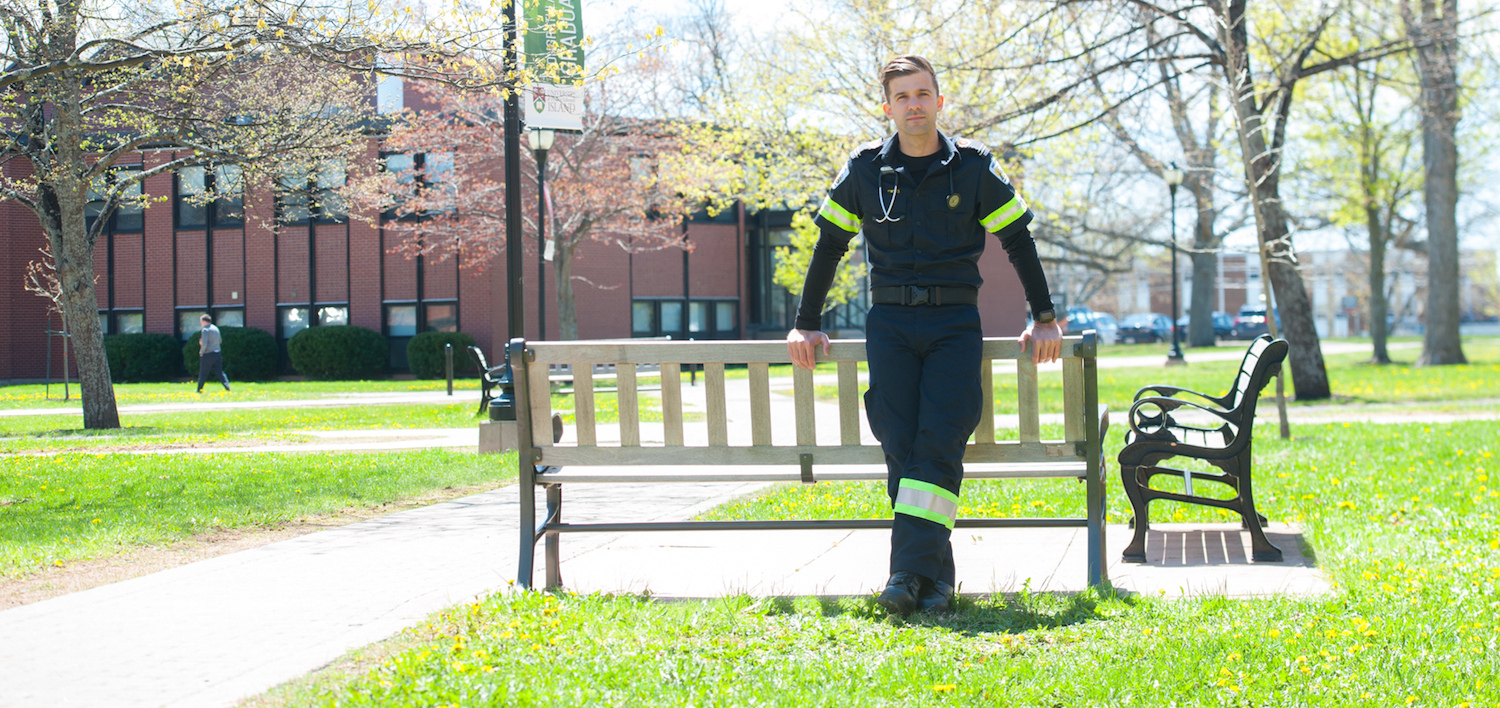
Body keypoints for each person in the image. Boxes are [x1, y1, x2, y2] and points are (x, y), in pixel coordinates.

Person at [786, 55, 1063, 615]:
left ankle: (905, 574)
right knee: (902, 444)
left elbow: (1018, 240)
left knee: (938, 438)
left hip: (953, 324)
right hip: (888, 323)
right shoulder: (863, 169)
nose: (914, 105)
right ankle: (934, 581)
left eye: (923, 94)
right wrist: (806, 322)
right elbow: (829, 247)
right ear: (887, 108)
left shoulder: (976, 168)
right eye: (903, 97)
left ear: (940, 101)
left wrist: (1045, 315)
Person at [196, 314, 231, 393]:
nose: (201, 324)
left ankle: (199, 390)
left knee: (203, 373)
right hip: (217, 353)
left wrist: (201, 351)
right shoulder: (216, 328)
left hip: (208, 354)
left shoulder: (205, 330)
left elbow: (204, 343)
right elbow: (220, 341)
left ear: (204, 321)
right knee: (220, 372)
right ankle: (227, 386)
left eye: (201, 322)